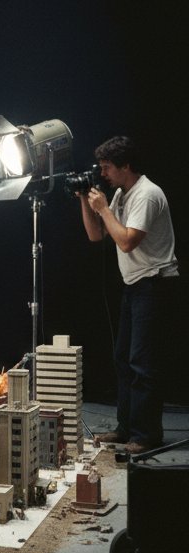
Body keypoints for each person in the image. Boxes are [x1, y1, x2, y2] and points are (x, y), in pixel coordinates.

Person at [78, 136, 178, 454]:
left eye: (107, 167)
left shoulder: (147, 194)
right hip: (135, 286)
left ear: (126, 166)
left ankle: (146, 435)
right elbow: (96, 236)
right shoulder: (123, 192)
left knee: (142, 364)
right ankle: (126, 430)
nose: (103, 173)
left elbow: (126, 241)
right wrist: (84, 199)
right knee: (124, 361)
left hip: (155, 285)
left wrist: (105, 209)